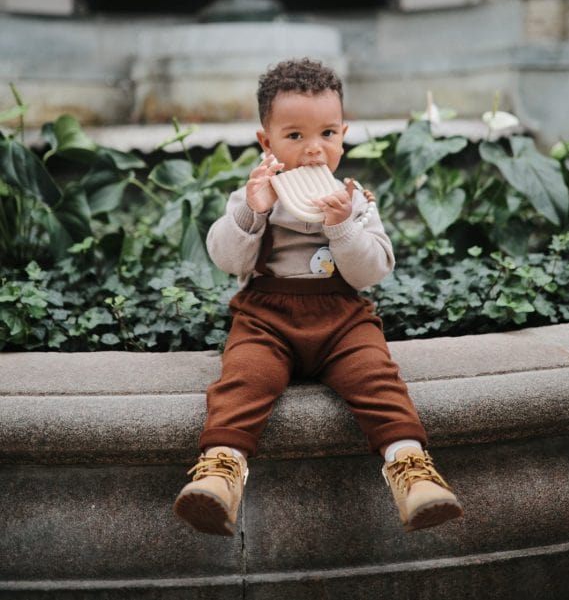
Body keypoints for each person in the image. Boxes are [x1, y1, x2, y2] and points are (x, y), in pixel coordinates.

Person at [174, 58, 463, 536]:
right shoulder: (253, 195)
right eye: (294, 137)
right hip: (266, 320)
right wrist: (252, 211)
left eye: (327, 134)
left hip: (342, 322)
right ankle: (221, 470)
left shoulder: (356, 202)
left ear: (343, 136)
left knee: (377, 377)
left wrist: (343, 225)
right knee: (245, 378)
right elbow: (227, 258)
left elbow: (373, 270)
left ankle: (411, 470)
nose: (313, 150)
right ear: (266, 142)